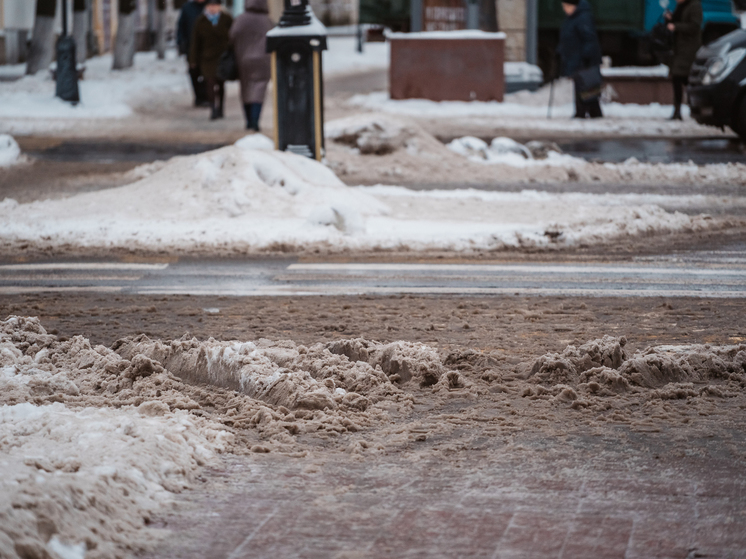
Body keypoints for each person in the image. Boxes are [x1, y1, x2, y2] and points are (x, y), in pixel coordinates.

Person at [230, 0, 273, 131]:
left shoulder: (241, 19)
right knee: (259, 90)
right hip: (264, 61)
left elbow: (232, 35)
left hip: (244, 59)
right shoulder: (267, 21)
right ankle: (255, 120)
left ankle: (248, 120)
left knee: (246, 89)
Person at [557, 0, 603, 119]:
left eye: (567, 6)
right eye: (563, 6)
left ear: (575, 6)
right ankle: (583, 112)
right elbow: (567, 37)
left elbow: (589, 38)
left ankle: (590, 113)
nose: (564, 9)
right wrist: (560, 51)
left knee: (587, 85)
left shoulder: (583, 18)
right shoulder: (572, 19)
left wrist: (587, 56)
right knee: (581, 86)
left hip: (584, 59)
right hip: (576, 58)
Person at [190, 0, 233, 120]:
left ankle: (221, 107)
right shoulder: (201, 21)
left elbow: (233, 38)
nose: (213, 8)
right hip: (207, 58)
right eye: (210, 5)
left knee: (220, 84)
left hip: (222, 58)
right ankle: (213, 108)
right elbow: (195, 42)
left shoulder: (227, 19)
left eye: (215, 5)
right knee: (209, 83)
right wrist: (193, 59)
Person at [665, 0, 702, 120]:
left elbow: (695, 26)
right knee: (677, 79)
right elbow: (677, 21)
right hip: (678, 50)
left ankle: (694, 109)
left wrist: (676, 26)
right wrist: (670, 19)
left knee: (686, 80)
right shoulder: (680, 6)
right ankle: (677, 111)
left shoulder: (695, 5)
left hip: (688, 50)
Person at [177, 0, 208, 107]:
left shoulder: (211, 6)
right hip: (191, 47)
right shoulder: (187, 8)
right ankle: (198, 97)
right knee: (194, 72)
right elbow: (181, 26)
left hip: (207, 48)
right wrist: (181, 42)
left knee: (207, 72)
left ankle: (206, 96)